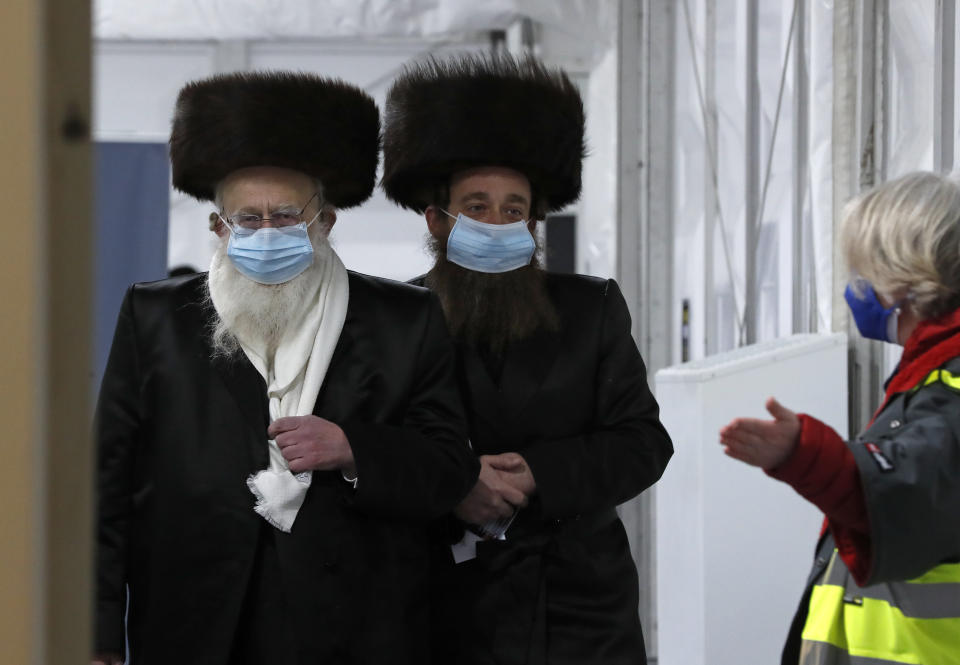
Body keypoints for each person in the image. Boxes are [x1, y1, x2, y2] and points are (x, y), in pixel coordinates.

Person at [93, 71, 479, 665]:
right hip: (195, 619)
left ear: (324, 221)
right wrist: (94, 638)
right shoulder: (157, 316)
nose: (266, 233)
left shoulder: (404, 318)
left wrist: (356, 449)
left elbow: (450, 468)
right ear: (219, 227)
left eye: (286, 217)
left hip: (357, 621)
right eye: (248, 219)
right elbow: (108, 483)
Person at [380, 54, 674, 665]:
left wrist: (540, 472)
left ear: (535, 223)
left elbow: (643, 443)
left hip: (578, 605)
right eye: (477, 206)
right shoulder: (394, 318)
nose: (496, 222)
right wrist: (455, 485)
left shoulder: (591, 308)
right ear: (438, 220)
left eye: (513, 209)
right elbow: (373, 455)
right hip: (442, 604)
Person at [719, 171, 960, 665]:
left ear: (903, 277)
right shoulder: (927, 372)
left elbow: (910, 487)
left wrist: (806, 456)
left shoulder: (951, 381)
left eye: (863, 273)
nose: (856, 290)